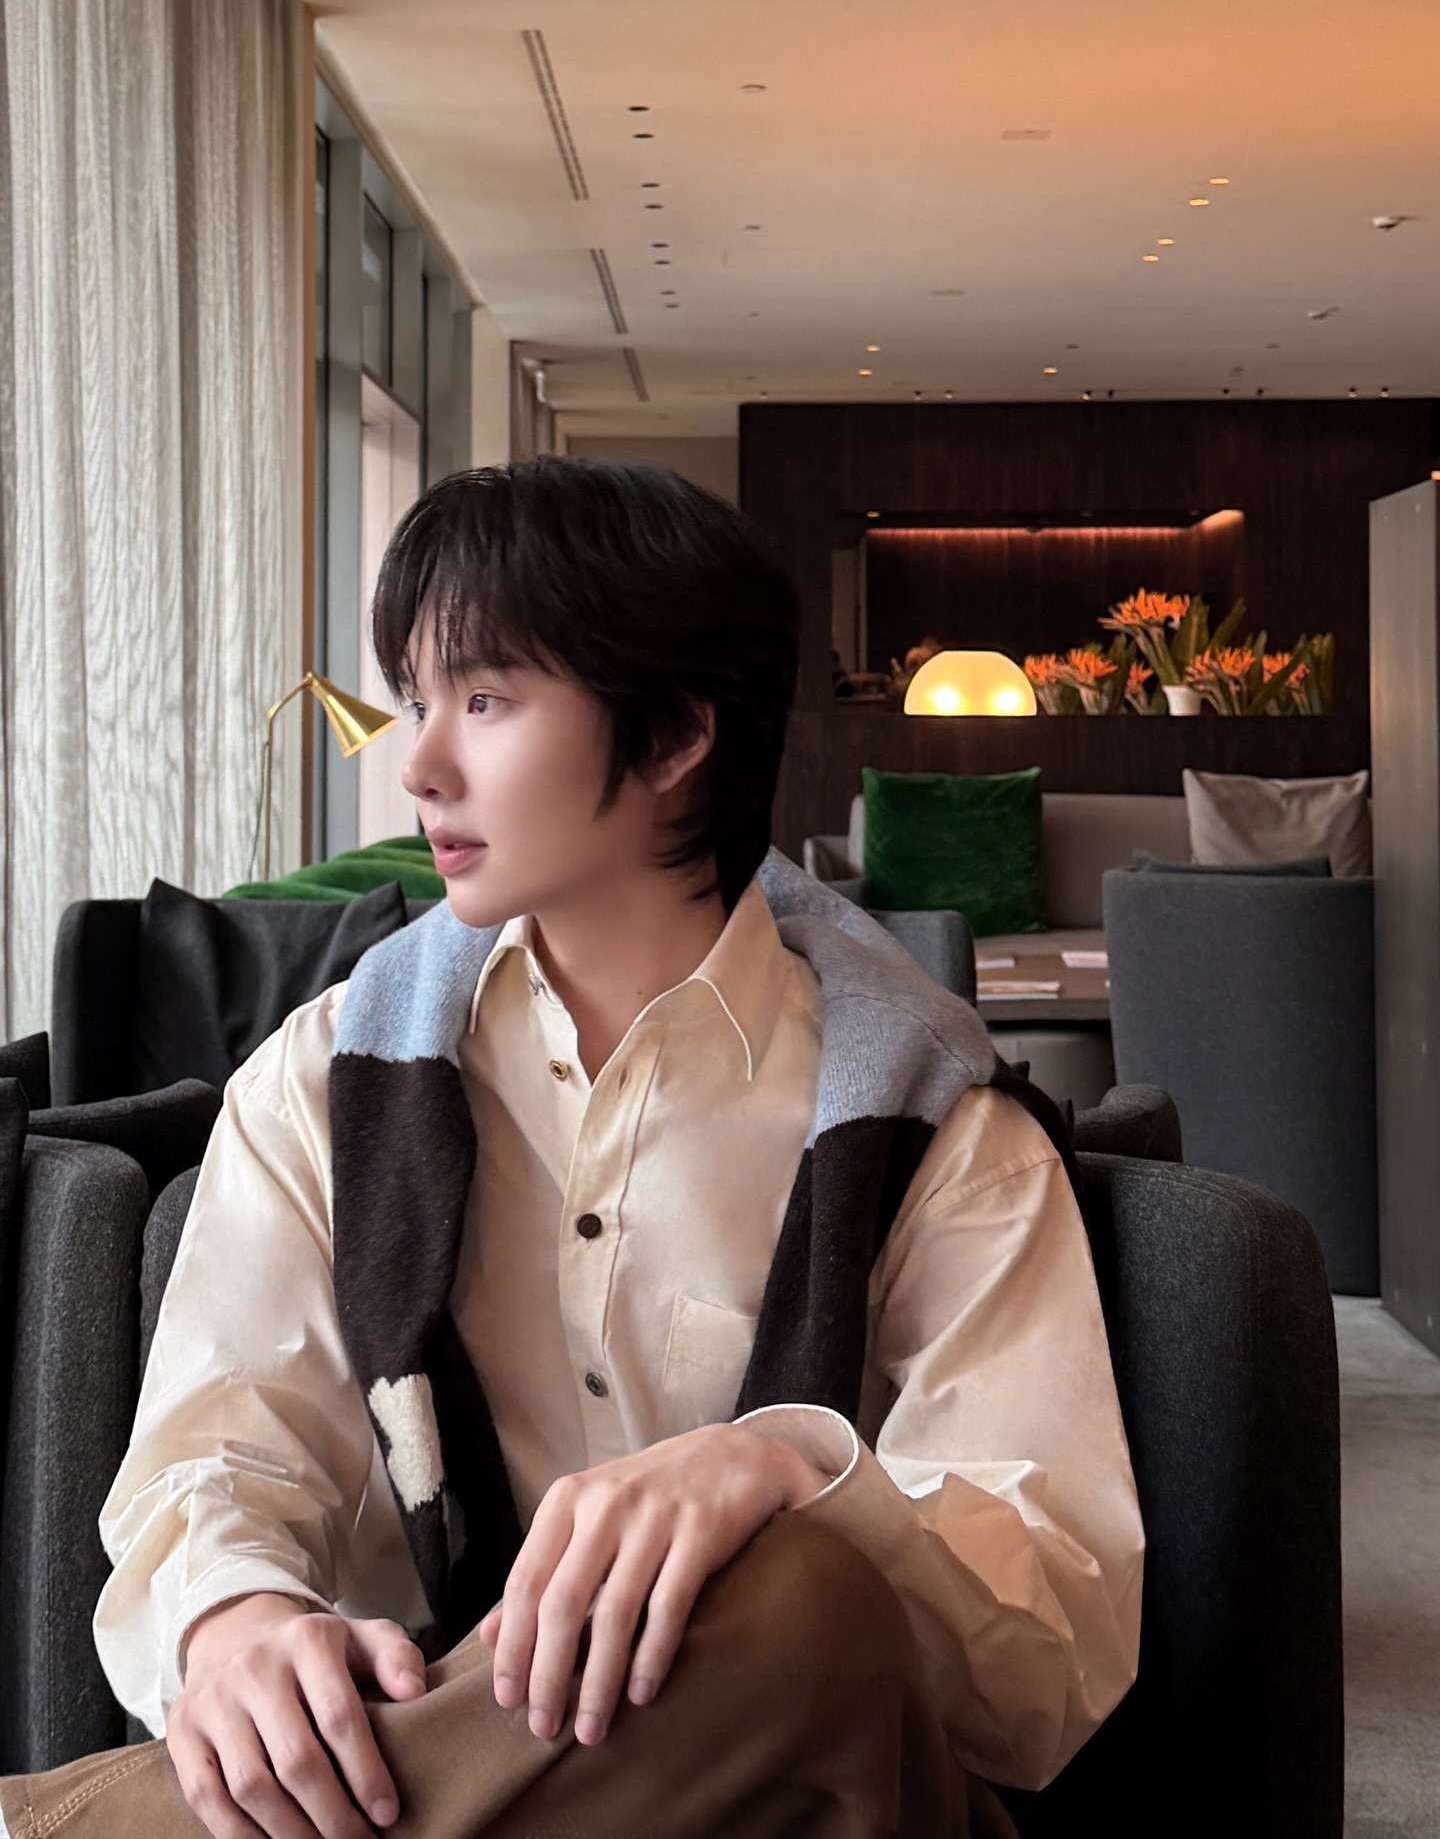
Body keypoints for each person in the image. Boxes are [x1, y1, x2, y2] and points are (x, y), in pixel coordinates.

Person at [0, 458, 1143, 1839]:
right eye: (416, 703)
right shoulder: (326, 1082)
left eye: (484, 701)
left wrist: (789, 1468)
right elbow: (217, 1453)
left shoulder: (929, 1120)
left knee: (801, 1598)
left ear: (673, 738)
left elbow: (1052, 1651)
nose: (419, 766)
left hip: (806, 1794)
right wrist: (234, 1617)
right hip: (426, 1764)